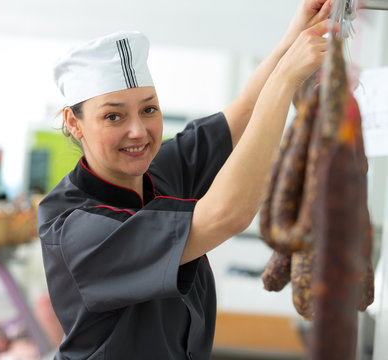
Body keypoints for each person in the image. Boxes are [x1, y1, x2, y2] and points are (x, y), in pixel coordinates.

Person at [38, 1, 334, 358]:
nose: (138, 132)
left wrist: (299, 30)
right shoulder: (76, 231)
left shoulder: (156, 173)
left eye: (149, 109)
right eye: (114, 117)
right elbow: (227, 215)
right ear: (73, 123)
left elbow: (241, 114)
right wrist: (287, 79)